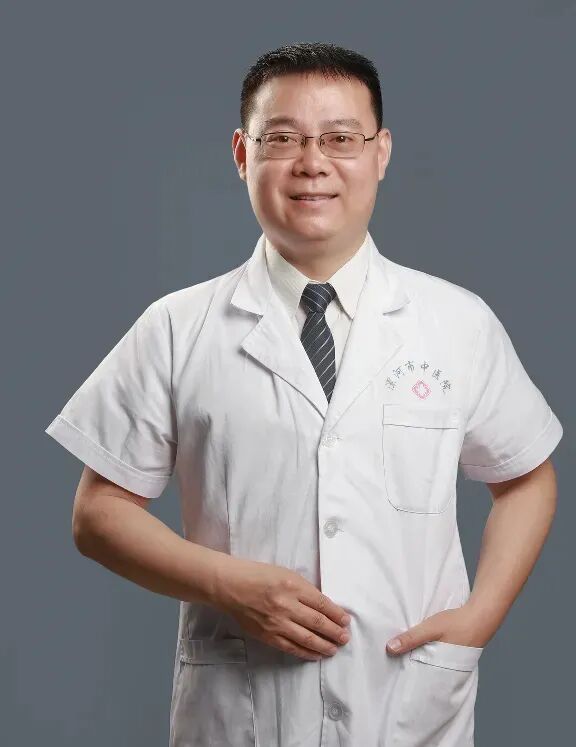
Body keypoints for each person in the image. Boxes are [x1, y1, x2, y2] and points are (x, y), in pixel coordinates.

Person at [45, 42, 563, 746]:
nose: (312, 163)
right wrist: (228, 584)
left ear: (381, 153)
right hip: (240, 713)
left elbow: (526, 476)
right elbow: (98, 514)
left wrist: (482, 615)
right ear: (242, 154)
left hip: (410, 709)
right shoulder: (177, 327)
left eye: (340, 138)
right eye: (282, 138)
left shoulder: (457, 322)